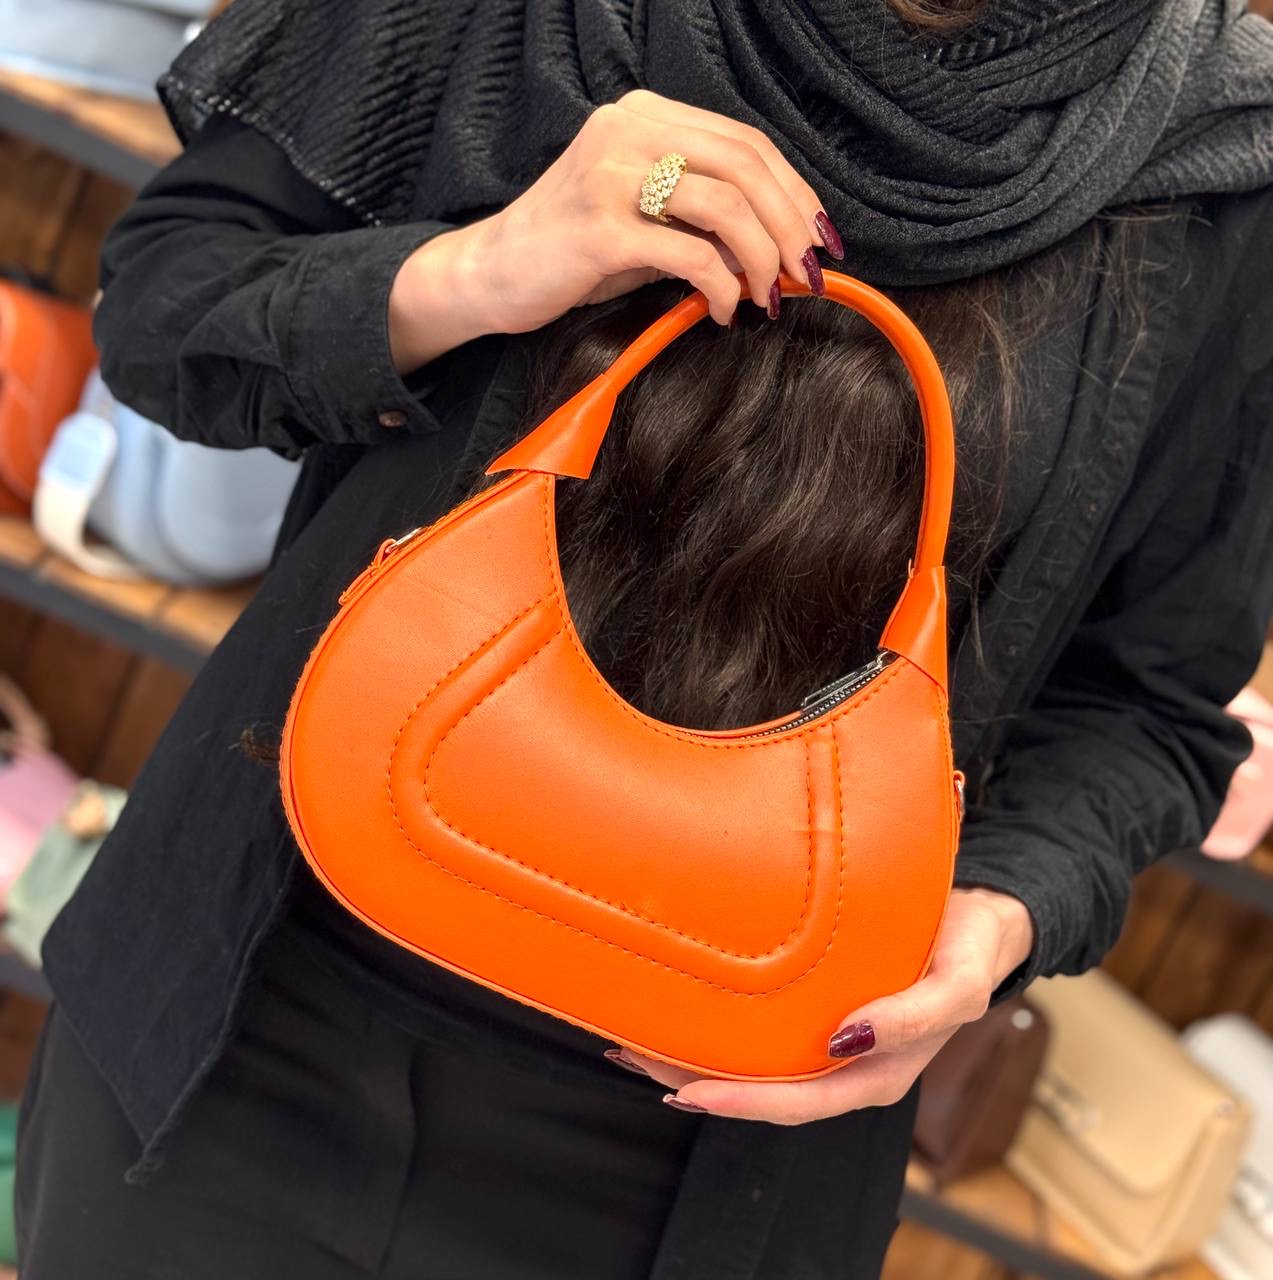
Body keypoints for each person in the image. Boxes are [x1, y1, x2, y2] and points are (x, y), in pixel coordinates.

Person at [13, 1, 1273, 1277]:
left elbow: (1151, 706)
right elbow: (168, 298)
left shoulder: (1222, 153)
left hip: (715, 1144)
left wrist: (1000, 919)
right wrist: (483, 268)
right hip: (256, 1004)